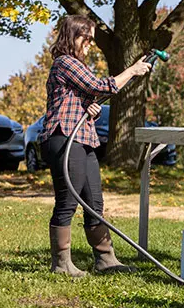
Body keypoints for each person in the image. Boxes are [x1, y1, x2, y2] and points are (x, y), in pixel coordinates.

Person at [39, 15, 152, 277]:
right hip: (64, 137)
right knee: (68, 201)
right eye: (85, 37)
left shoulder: (78, 66)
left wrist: (89, 108)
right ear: (71, 37)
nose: (90, 43)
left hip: (84, 138)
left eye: (92, 38)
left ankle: (106, 259)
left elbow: (90, 95)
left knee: (94, 202)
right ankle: (61, 264)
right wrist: (132, 70)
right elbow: (102, 86)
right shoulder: (65, 62)